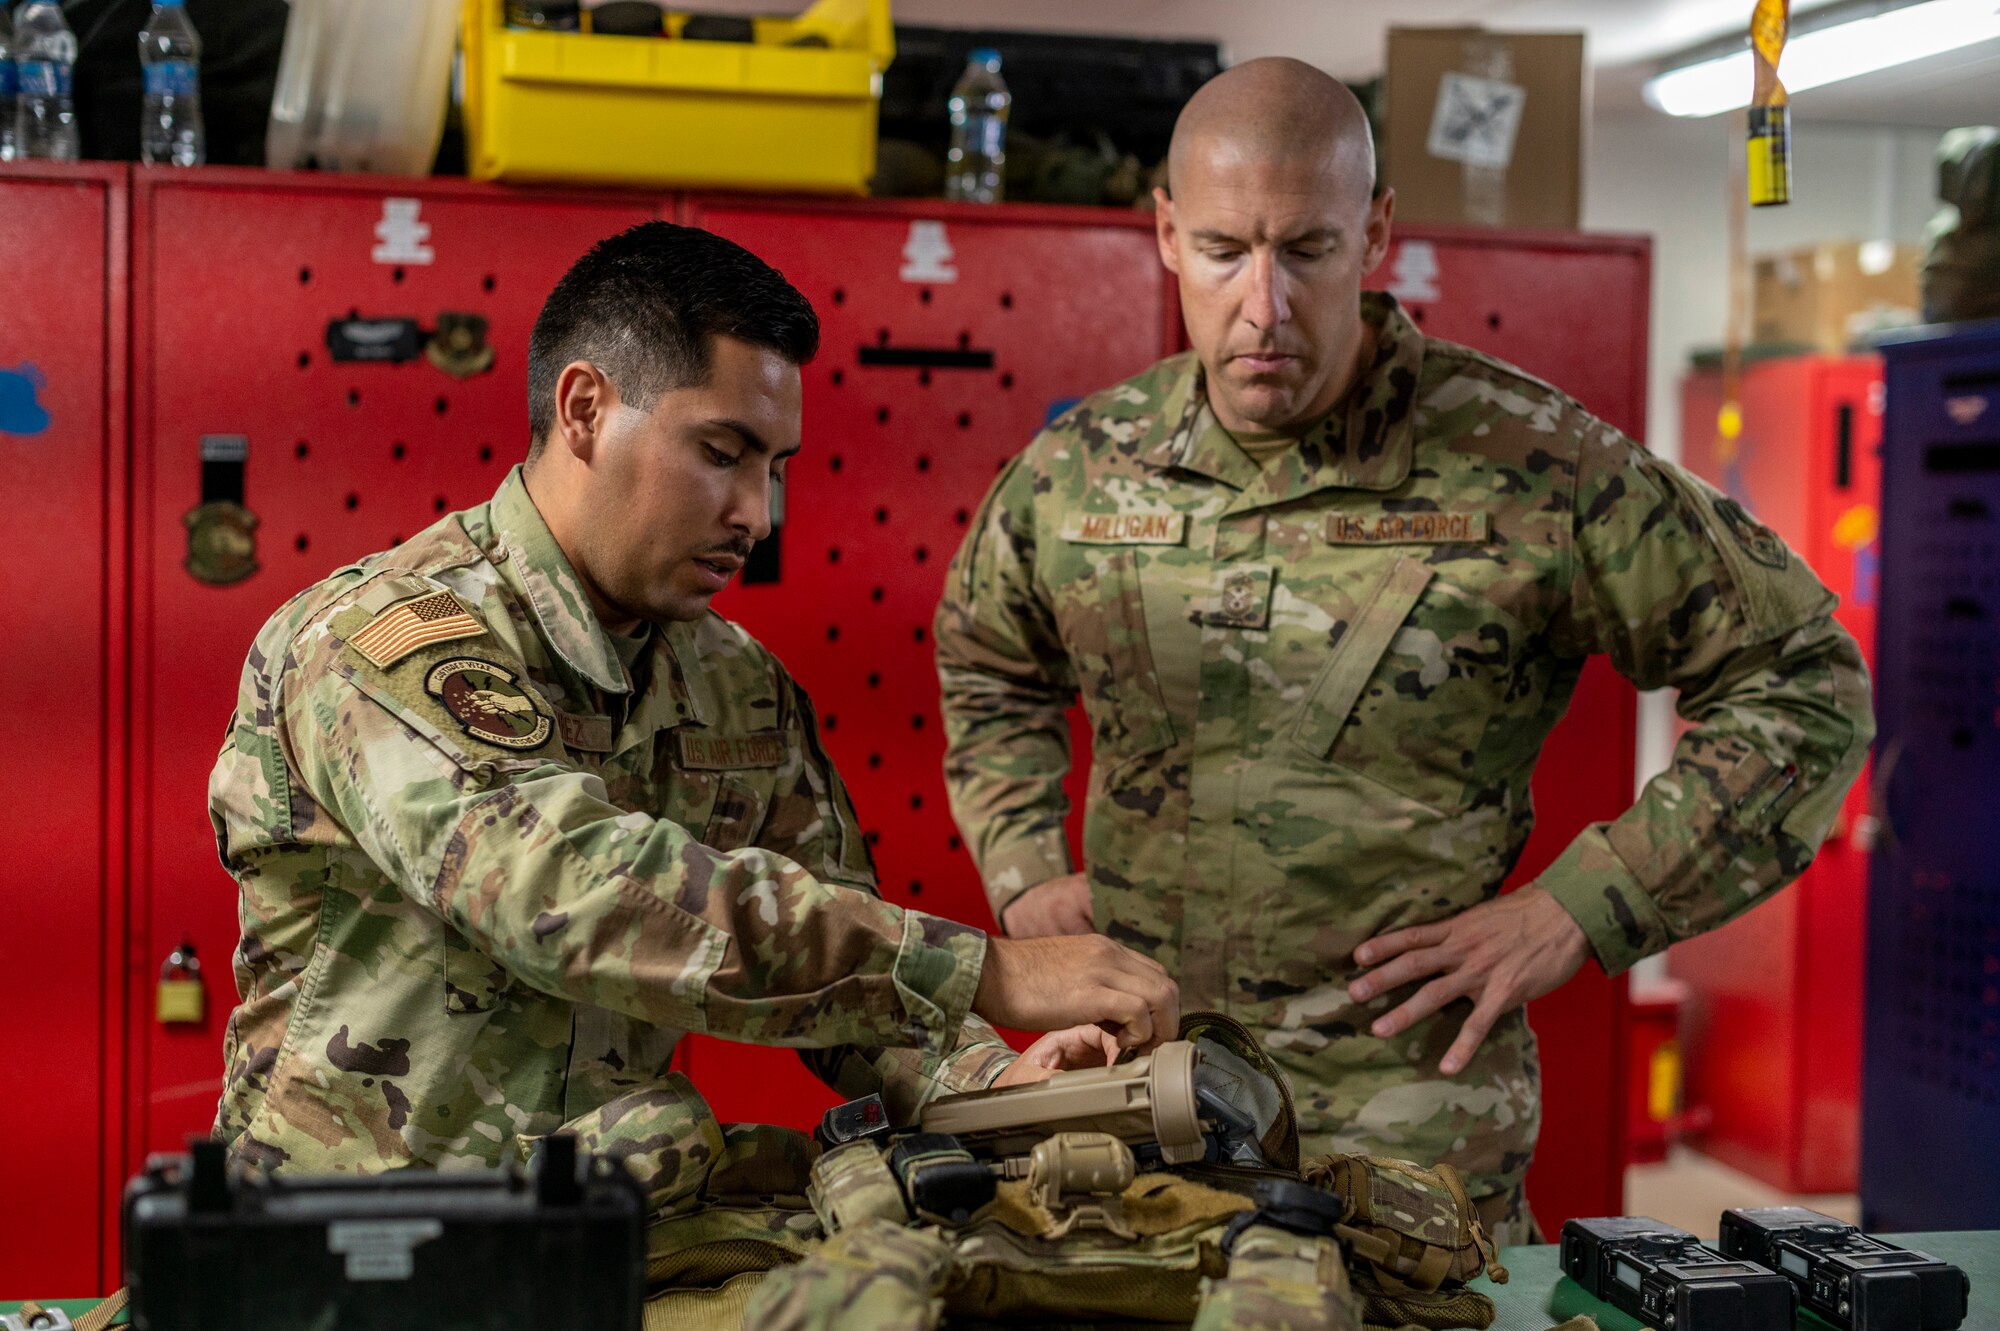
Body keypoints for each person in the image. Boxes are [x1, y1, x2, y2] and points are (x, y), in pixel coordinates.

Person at [933, 58, 1870, 1243]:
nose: (1262, 306)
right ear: (1164, 233)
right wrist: (1020, 865)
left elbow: (1805, 683)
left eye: (1307, 250)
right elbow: (985, 655)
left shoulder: (1531, 462)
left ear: (1375, 233)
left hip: (1410, 1129)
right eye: (1222, 251)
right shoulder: (1079, 470)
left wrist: (1579, 906)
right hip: (1141, 1091)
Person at [207, 222, 1178, 1226]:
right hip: (347, 1246)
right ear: (584, 409)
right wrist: (986, 966)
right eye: (721, 453)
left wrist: (985, 1077)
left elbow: (846, 974)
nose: (758, 513)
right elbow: (564, 888)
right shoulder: (386, 642)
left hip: (597, 1238)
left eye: (775, 465)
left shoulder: (733, 681)